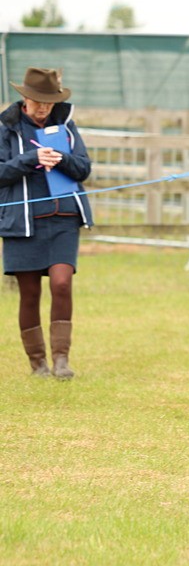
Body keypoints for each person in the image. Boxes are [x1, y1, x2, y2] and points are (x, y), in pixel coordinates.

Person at [0, 67, 92, 378]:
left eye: (49, 103)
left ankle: (62, 360)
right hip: (22, 222)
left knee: (62, 284)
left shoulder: (65, 127)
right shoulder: (6, 129)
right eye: (39, 102)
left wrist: (62, 160)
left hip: (64, 218)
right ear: (25, 98)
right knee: (29, 294)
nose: (44, 108)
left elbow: (83, 168)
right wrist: (31, 160)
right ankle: (38, 363)